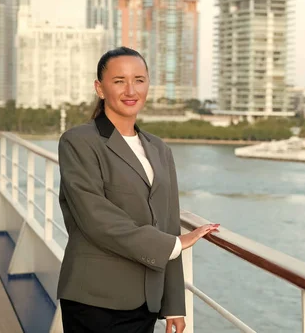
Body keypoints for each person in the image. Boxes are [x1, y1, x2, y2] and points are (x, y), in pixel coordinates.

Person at [57, 46, 219, 333]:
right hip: (95, 300)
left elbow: (168, 223)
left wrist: (174, 307)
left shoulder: (159, 149)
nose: (130, 90)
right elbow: (96, 218)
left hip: (146, 302)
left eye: (139, 80)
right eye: (119, 81)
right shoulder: (78, 141)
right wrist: (176, 243)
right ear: (100, 88)